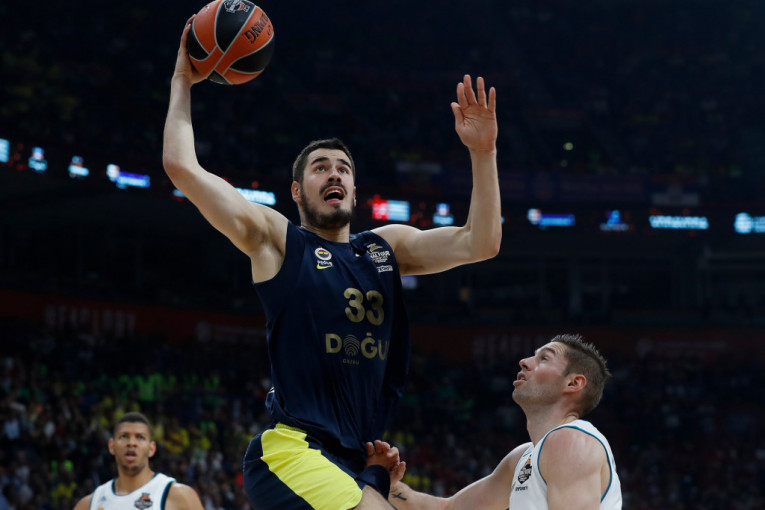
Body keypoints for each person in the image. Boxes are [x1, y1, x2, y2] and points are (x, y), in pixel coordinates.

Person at [162, 14, 502, 510]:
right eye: (320, 168)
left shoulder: (384, 248)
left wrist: (483, 152)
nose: (334, 174)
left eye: (343, 168)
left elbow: (481, 242)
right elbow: (181, 167)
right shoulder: (280, 242)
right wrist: (182, 81)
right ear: (298, 191)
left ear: (355, 192)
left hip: (354, 457)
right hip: (293, 449)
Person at [381, 334, 622, 510]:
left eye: (544, 358)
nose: (524, 361)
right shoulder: (522, 457)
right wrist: (386, 482)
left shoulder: (571, 440)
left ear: (573, 383)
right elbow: (448, 508)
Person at [73, 412, 204, 510]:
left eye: (140, 437)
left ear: (151, 449)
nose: (131, 443)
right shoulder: (88, 504)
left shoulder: (179, 496)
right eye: (124, 437)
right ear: (112, 446)